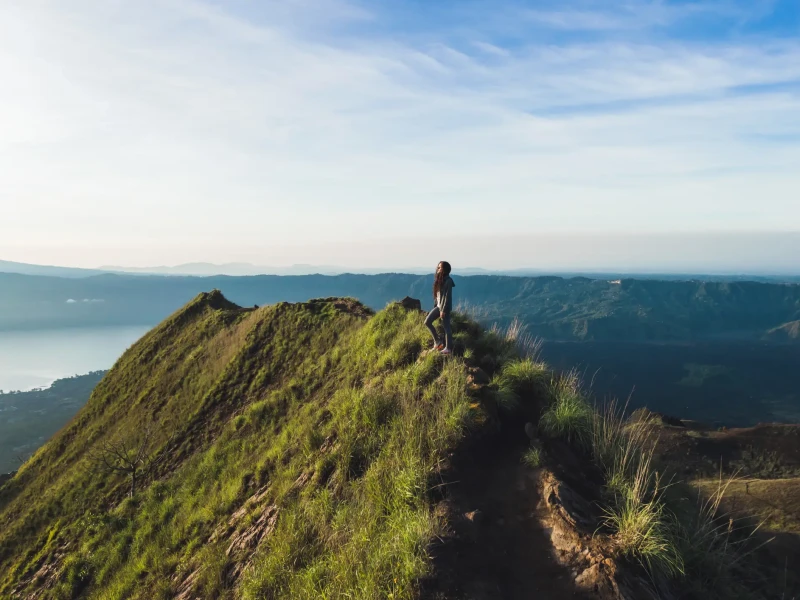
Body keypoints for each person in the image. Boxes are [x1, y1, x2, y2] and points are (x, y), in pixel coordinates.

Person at [425, 261, 455, 355]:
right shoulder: (440, 280)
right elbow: (438, 297)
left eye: (440, 267)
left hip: (444, 308)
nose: (438, 269)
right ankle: (437, 342)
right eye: (437, 267)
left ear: (445, 269)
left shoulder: (448, 281)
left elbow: (446, 297)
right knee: (427, 322)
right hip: (438, 307)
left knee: (446, 328)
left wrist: (443, 310)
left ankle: (448, 348)